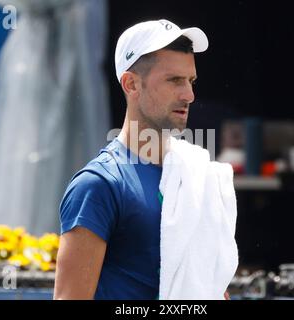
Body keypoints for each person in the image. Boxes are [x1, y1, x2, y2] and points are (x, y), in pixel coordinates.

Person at [53, 19, 213, 300]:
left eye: (191, 81)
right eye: (174, 80)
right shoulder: (97, 185)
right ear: (131, 84)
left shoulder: (197, 174)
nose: (189, 95)